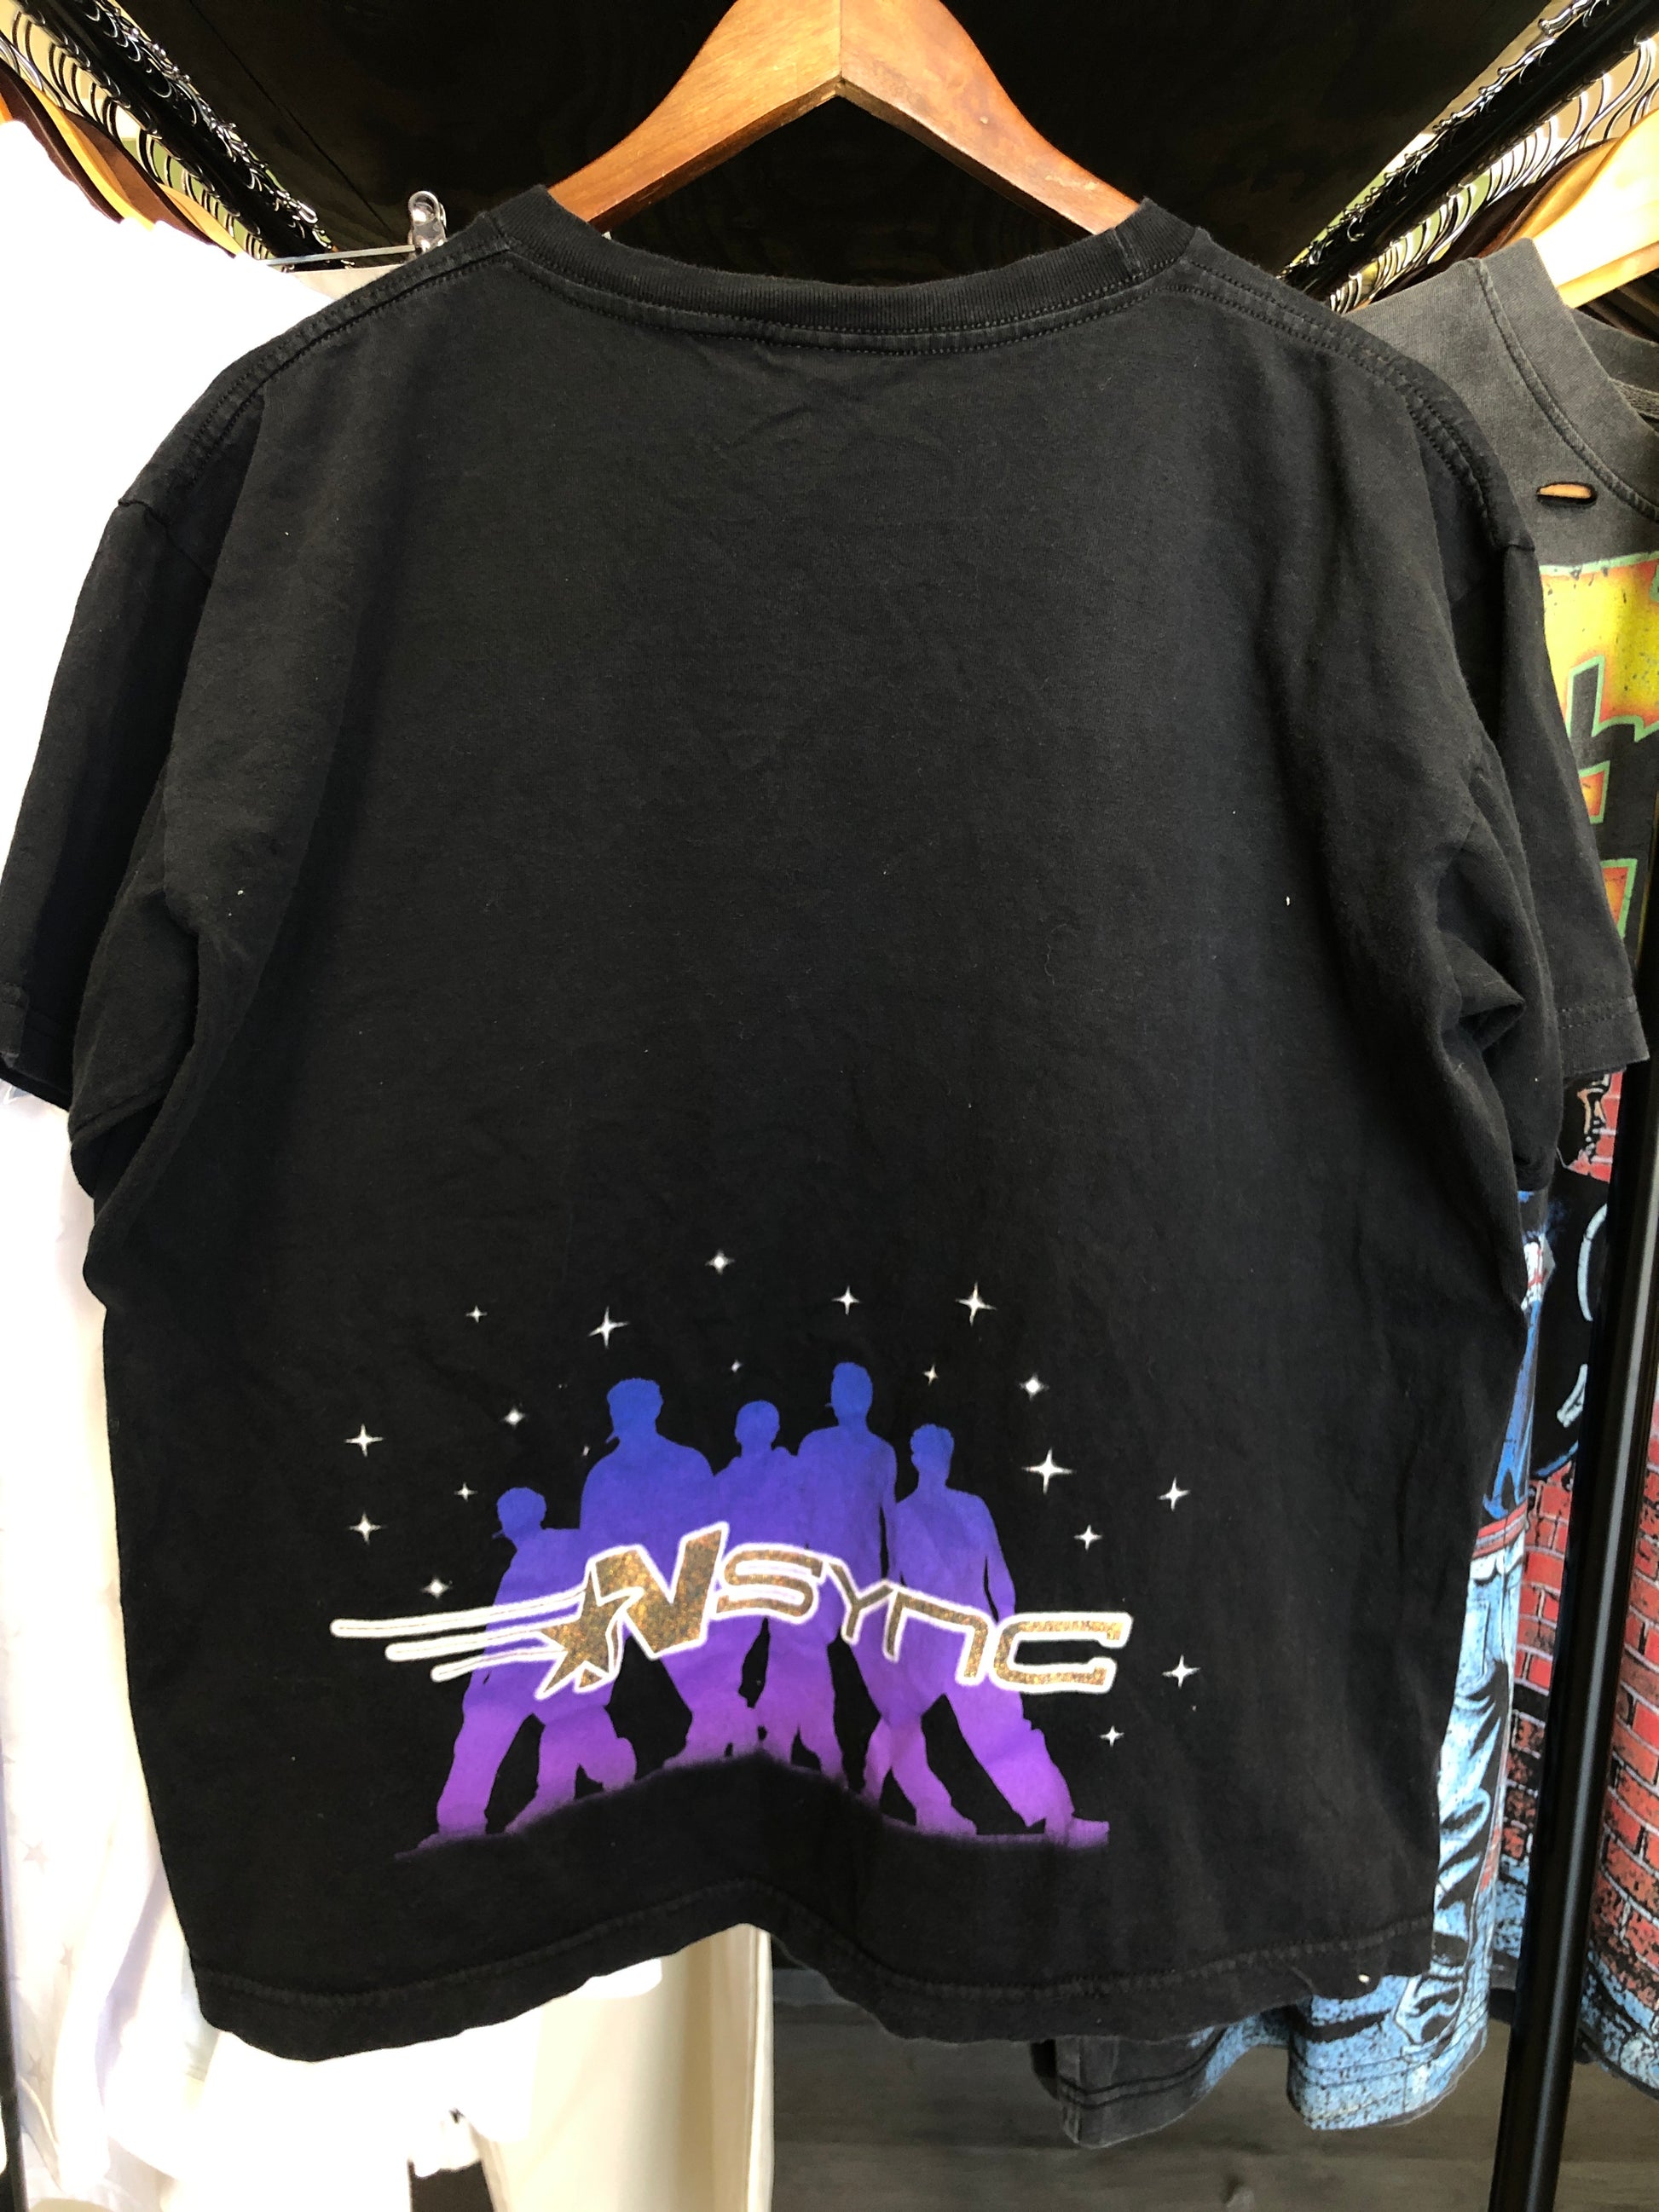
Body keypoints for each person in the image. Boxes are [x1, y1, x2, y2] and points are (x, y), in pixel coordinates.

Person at [864, 1425, 1106, 1841]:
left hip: (975, 1639)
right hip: (927, 1640)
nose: (936, 1463)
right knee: (898, 1719)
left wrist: (1004, 1629)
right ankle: (862, 1796)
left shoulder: (971, 1508)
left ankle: (1058, 1820)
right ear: (917, 1459)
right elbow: (894, 1583)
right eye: (928, 1454)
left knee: (1003, 1732)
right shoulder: (902, 1517)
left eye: (941, 1455)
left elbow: (997, 1570)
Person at [431, 1487, 634, 1838]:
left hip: (558, 1667)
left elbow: (619, 1588)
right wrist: (479, 1682)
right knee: (487, 1731)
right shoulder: (524, 1566)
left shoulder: (571, 1547)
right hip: (526, 1670)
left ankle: (606, 1767)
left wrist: (605, 1643)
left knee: (569, 1734)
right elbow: (498, 1633)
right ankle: (459, 1820)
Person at [750, 1362, 896, 1780]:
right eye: (838, 1388)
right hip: (820, 1574)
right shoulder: (816, 1445)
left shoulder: (880, 1452)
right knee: (802, 1663)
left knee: (871, 1675)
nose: (842, 1396)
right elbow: (799, 1505)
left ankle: (867, 1769)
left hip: (861, 1579)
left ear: (864, 1398)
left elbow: (890, 1518)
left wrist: (893, 1576)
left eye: (847, 1389)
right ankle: (803, 1750)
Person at [664, 1400, 796, 1764]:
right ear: (737, 1432)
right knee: (695, 1653)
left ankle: (719, 1736)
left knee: (725, 1657)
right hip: (721, 1581)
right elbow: (706, 1530)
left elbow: (797, 1522)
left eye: (761, 1425)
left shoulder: (785, 1469)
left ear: (773, 1431)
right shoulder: (724, 1481)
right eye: (746, 1424)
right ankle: (731, 1730)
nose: (753, 1431)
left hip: (763, 1580)